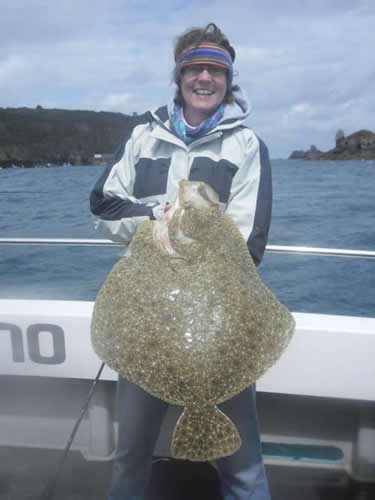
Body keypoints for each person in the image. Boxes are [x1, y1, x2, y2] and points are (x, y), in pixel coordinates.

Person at [90, 22, 272, 500]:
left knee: (244, 470)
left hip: (219, 322)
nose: (206, 78)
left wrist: (186, 239)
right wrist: (156, 221)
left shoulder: (246, 145)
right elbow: (105, 206)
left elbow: (249, 240)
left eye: (217, 70)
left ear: (229, 80)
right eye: (196, 68)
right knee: (129, 456)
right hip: (144, 319)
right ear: (180, 76)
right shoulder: (142, 137)